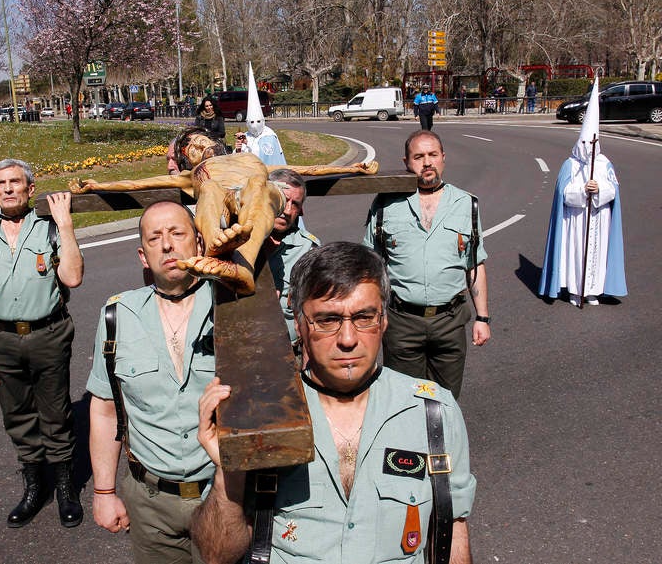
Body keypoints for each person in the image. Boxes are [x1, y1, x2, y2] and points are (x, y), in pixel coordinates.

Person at [191, 242, 476, 564]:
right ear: (298, 321)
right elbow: (217, 554)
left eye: (364, 317)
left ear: (384, 318)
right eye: (327, 320)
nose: (348, 339)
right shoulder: (260, 413)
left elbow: (451, 533)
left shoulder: (433, 412)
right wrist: (227, 471)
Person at [69, 128, 377, 295]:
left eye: (201, 140)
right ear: (187, 159)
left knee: (260, 182)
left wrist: (355, 168)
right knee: (212, 190)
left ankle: (240, 264)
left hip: (255, 201)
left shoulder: (250, 161)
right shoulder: (195, 174)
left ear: (215, 140)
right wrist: (97, 185)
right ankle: (218, 247)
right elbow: (140, 183)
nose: (198, 147)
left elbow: (302, 169)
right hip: (223, 209)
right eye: (190, 148)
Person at [0, 158, 84, 528]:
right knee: (17, 415)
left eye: (16, 182)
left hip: (48, 334)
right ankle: (34, 487)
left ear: (31, 189)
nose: (8, 188)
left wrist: (66, 224)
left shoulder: (49, 229)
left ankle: (64, 488)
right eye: (1, 183)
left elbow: (73, 277)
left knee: (56, 413)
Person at [87, 200, 215, 564]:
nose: (168, 245)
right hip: (151, 503)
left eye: (177, 233)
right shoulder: (117, 315)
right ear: (144, 256)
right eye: (155, 238)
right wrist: (104, 491)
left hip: (225, 493)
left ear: (199, 244)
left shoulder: (233, 305)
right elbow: (106, 409)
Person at [362, 130, 490, 398]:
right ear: (407, 162)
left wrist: (482, 317)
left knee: (446, 400)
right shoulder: (386, 204)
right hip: (401, 322)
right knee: (404, 402)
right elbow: (370, 267)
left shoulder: (467, 204)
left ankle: (443, 441)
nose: (427, 162)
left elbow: (474, 265)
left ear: (443, 158)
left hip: (450, 321)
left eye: (433, 155)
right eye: (418, 156)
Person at [538, 77, 626, 306]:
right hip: (576, 219)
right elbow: (563, 193)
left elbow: (613, 189)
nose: (589, 148)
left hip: (599, 216)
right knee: (576, 253)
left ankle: (594, 290)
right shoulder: (571, 165)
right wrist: (581, 189)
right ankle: (577, 290)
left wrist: (599, 189)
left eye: (592, 143)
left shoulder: (605, 163)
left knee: (597, 254)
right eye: (585, 143)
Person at [264, 169, 320, 344]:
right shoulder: (237, 240)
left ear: (301, 211)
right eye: (281, 200)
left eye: (294, 204)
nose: (287, 211)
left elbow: (315, 311)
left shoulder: (308, 250)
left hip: (289, 348)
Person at [234, 63, 286, 164]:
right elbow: (238, 161)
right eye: (251, 122)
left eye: (258, 121)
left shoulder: (269, 136)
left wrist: (248, 144)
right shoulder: (245, 136)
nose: (255, 125)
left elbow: (265, 158)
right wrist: (238, 149)